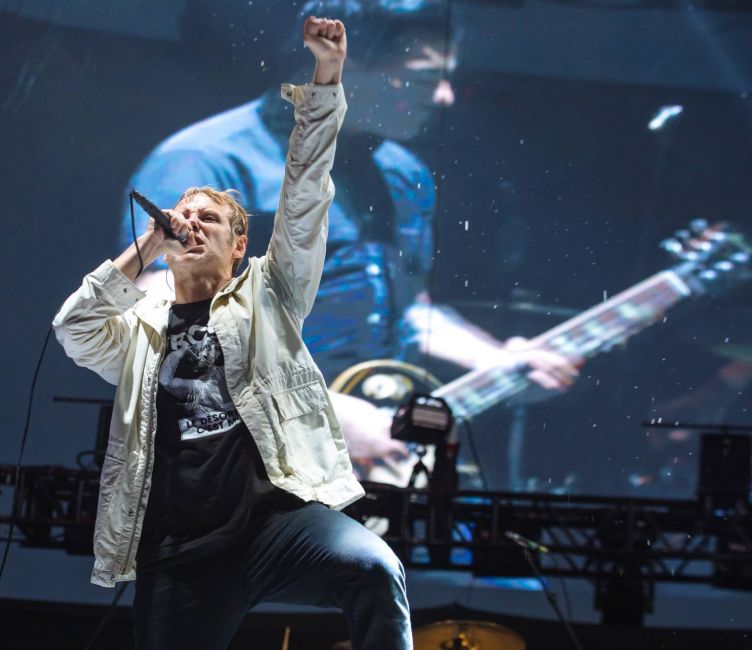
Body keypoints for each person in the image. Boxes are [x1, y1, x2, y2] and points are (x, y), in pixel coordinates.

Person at [54, 16, 411, 650]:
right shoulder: (140, 329)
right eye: (182, 215)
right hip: (180, 548)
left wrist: (326, 76)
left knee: (375, 568)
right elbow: (74, 327)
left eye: (209, 218)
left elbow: (304, 195)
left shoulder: (269, 294)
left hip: (275, 527)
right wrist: (148, 244)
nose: (190, 222)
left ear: (239, 244)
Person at [119, 0, 579, 469]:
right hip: (234, 459)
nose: (444, 96)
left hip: (363, 454)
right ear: (344, 63)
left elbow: (410, 311)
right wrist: (321, 411)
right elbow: (160, 319)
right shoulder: (206, 160)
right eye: (422, 77)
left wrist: (494, 358)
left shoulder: (403, 172)